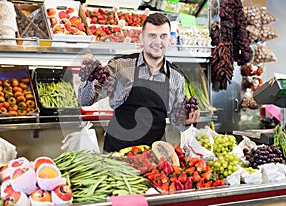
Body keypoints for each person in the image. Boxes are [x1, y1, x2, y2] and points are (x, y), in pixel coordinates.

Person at [78, 13, 200, 153]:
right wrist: (89, 78)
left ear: (170, 39)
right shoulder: (120, 65)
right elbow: (85, 100)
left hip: (154, 154)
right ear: (142, 37)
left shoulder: (176, 78)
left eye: (163, 36)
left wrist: (185, 121)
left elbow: (175, 120)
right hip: (117, 152)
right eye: (152, 35)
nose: (158, 42)